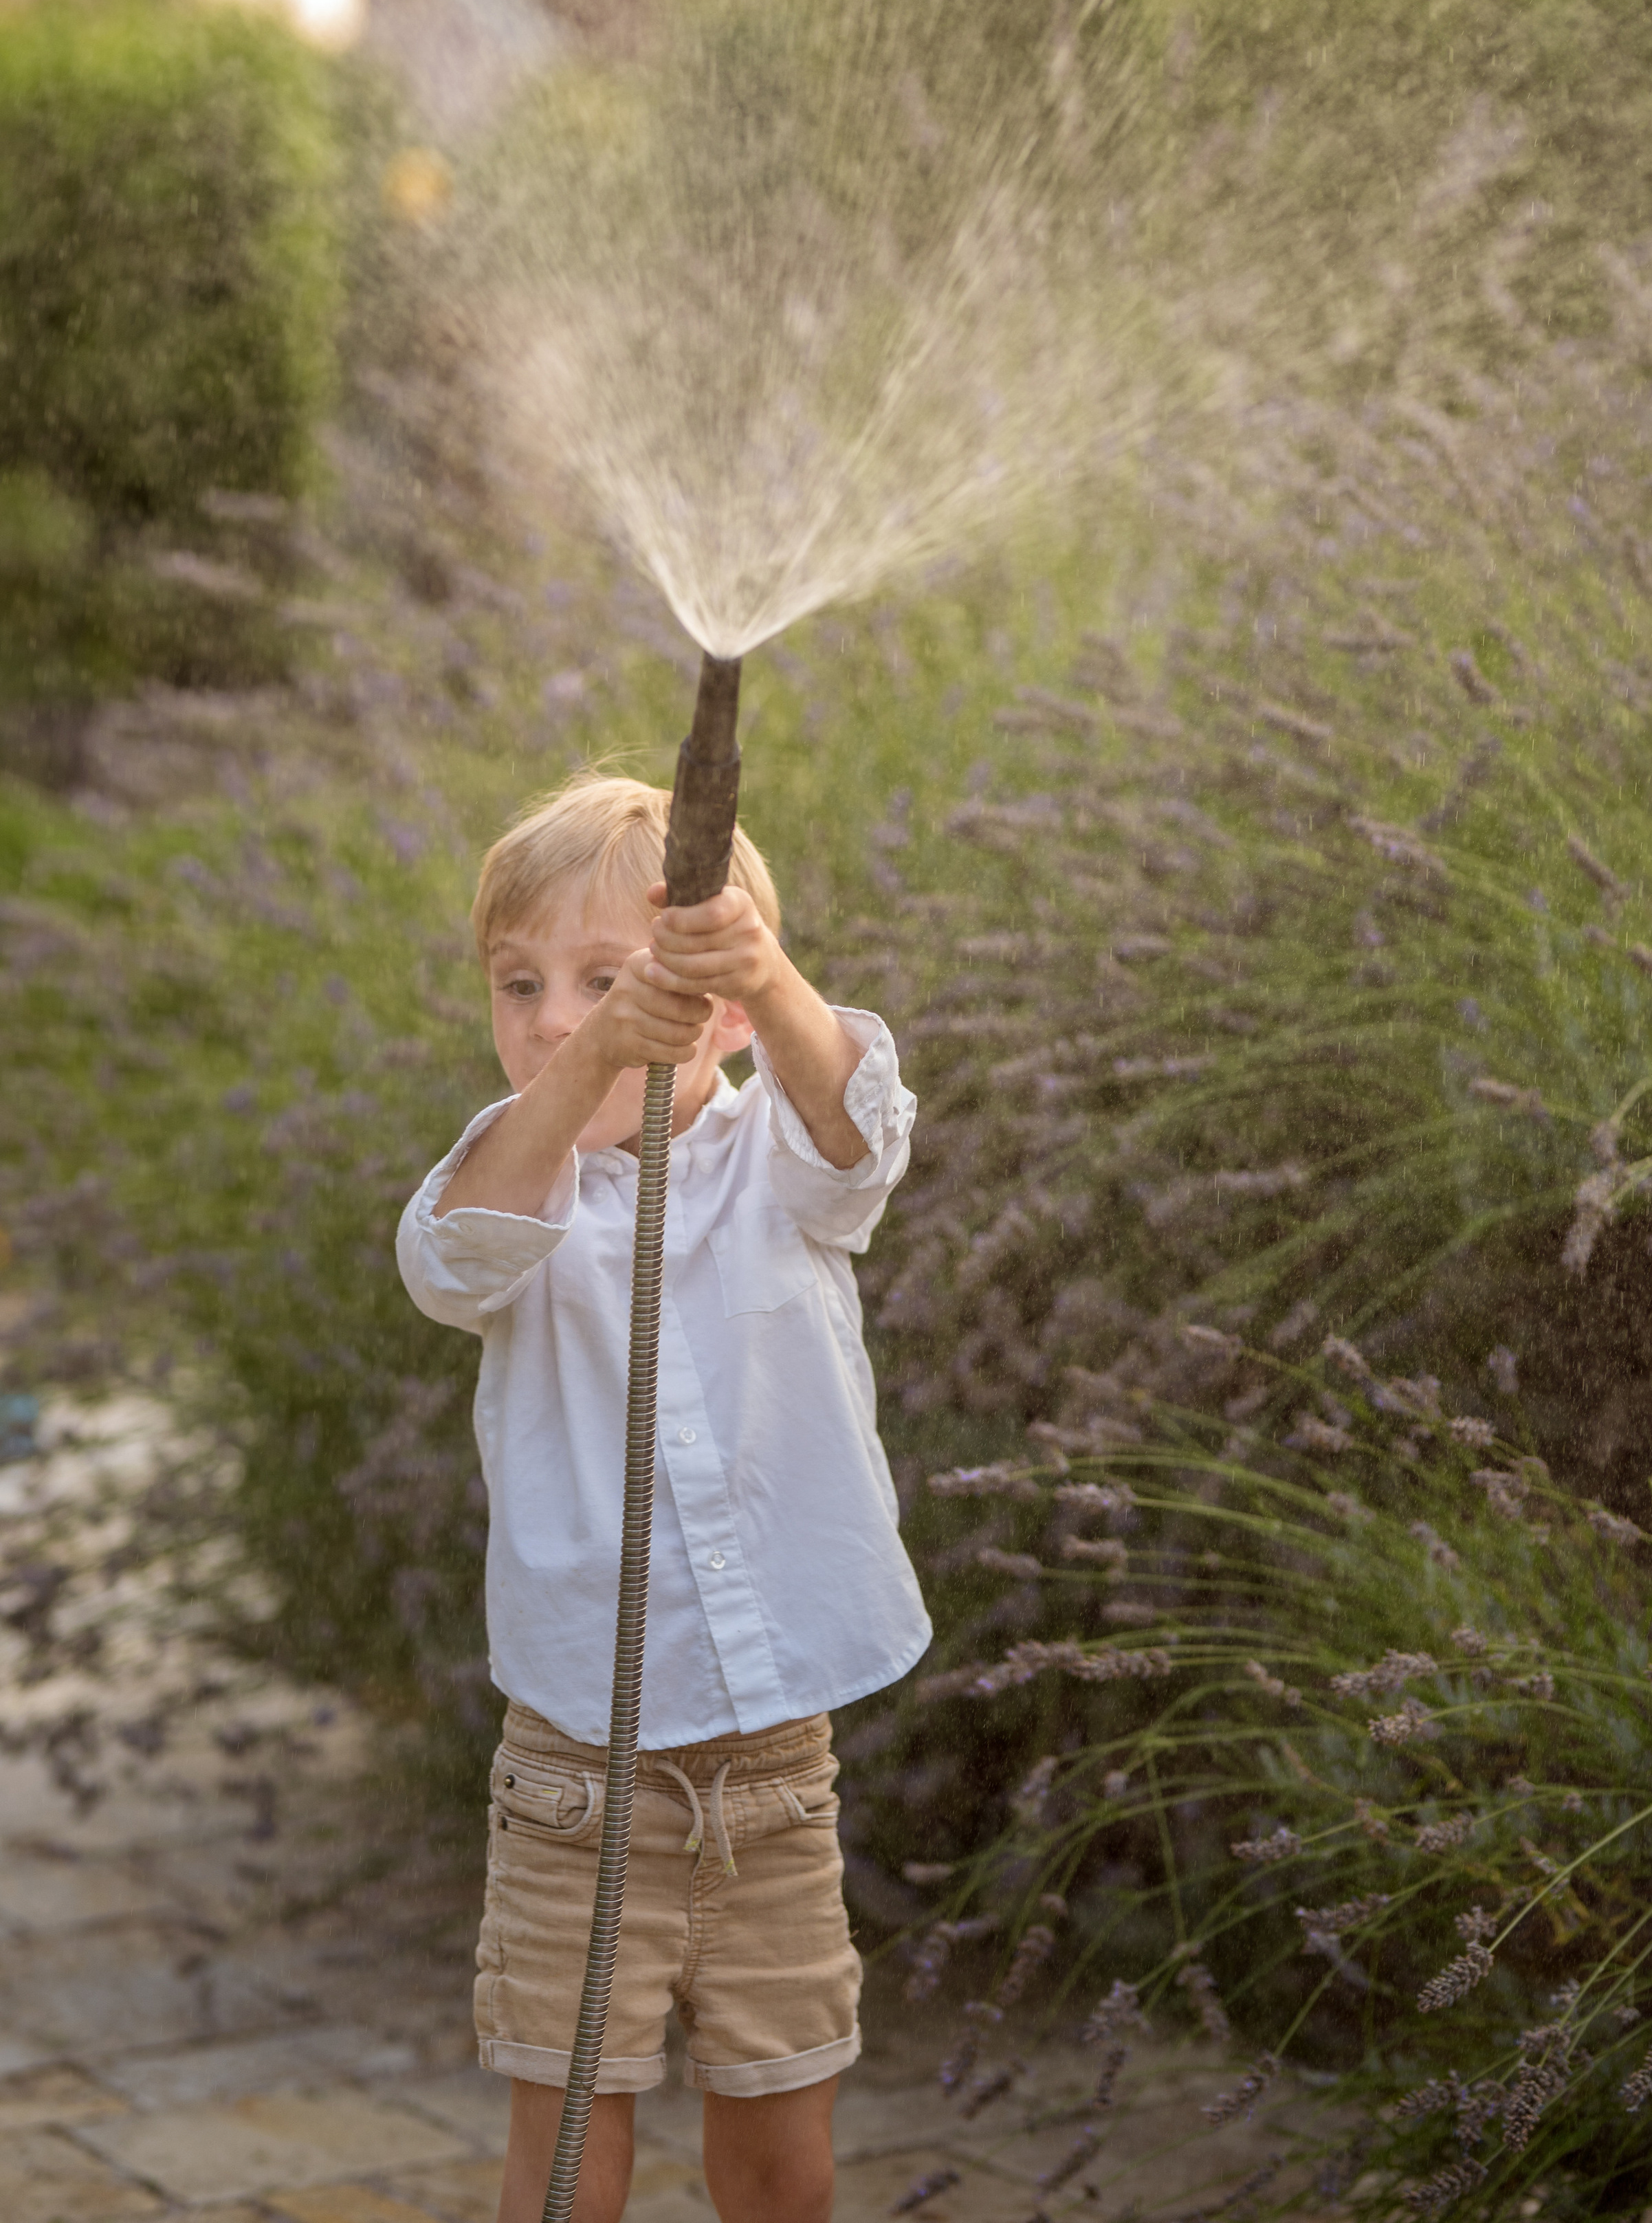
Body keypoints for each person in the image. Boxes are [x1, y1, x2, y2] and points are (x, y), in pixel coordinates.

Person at [396, 771, 931, 2223]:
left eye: (603, 981)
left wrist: (759, 964)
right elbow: (449, 1265)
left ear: (726, 1014)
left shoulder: (778, 1154)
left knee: (778, 2126)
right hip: (581, 1772)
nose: (555, 1016)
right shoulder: (511, 1174)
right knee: (571, 2136)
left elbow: (860, 1134)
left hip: (770, 1766)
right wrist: (586, 1073)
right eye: (522, 985)